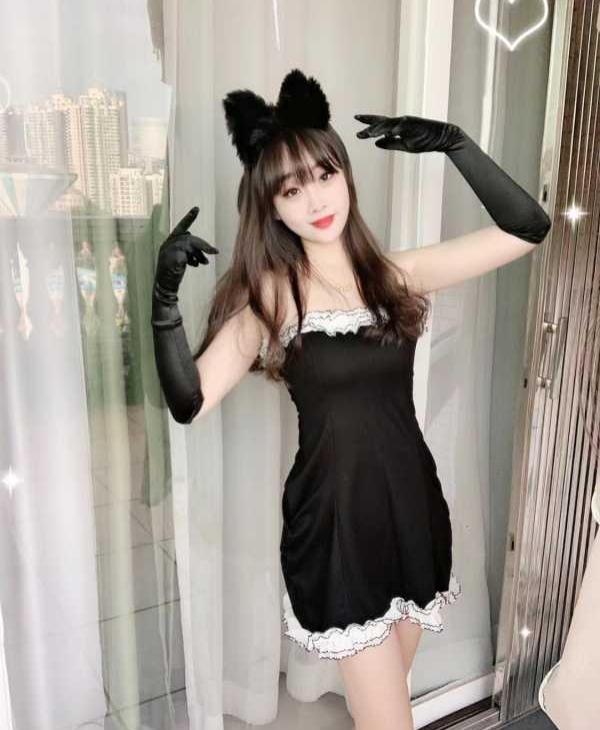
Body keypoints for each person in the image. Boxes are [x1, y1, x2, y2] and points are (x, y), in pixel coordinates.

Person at [151, 68, 551, 730]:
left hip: (412, 509)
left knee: (382, 711)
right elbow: (189, 400)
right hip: (335, 526)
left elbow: (528, 228)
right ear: (272, 207)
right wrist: (164, 302)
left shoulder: (396, 275)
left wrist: (456, 144)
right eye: (291, 188)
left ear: (346, 175)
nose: (315, 199)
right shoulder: (273, 296)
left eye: (325, 174)